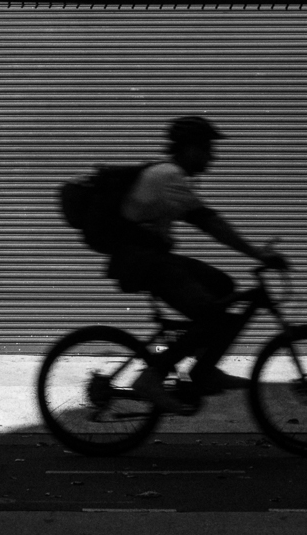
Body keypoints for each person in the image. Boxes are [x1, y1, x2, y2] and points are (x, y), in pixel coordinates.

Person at [109, 115, 288, 410]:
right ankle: (152, 377)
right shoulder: (168, 176)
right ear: (189, 149)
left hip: (150, 258)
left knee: (222, 284)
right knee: (212, 315)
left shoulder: (169, 175)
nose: (211, 156)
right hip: (142, 261)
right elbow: (210, 223)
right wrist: (259, 254)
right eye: (206, 148)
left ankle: (205, 368)